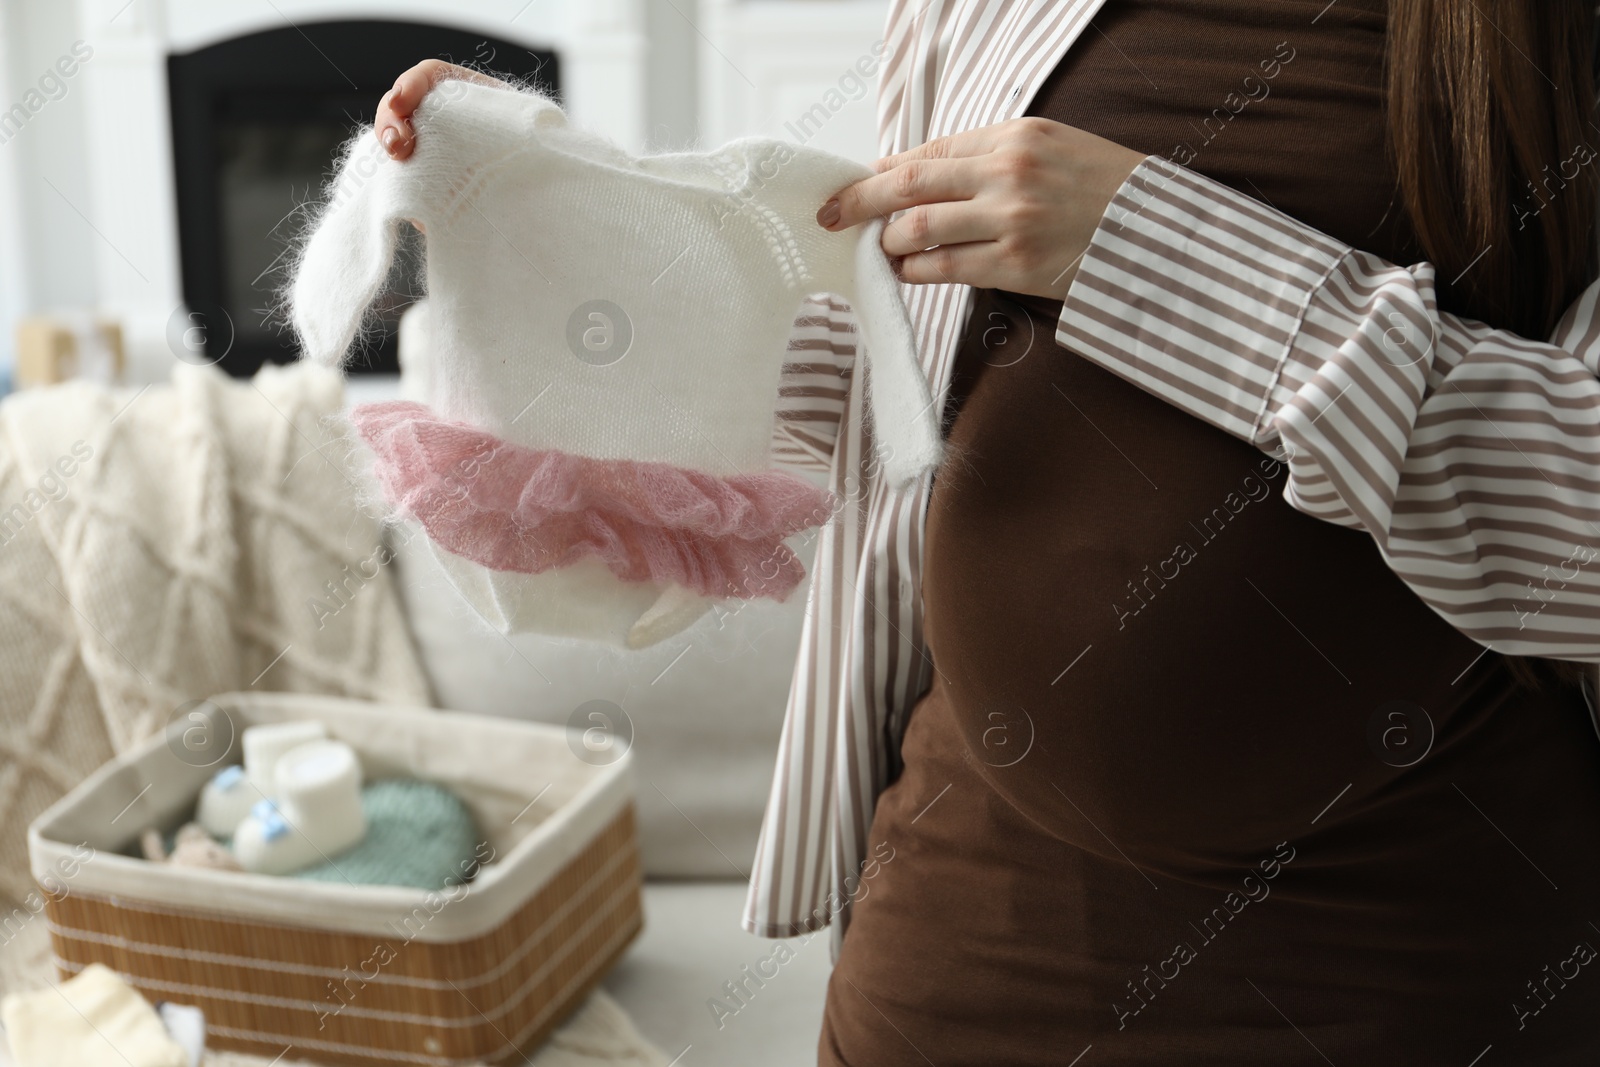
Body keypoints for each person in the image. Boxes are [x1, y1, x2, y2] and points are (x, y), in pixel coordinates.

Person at [376, 1, 1600, 1060]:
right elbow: (904, 385)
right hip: (966, 924)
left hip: (1420, 956)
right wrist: (563, 237)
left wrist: (1155, 256)